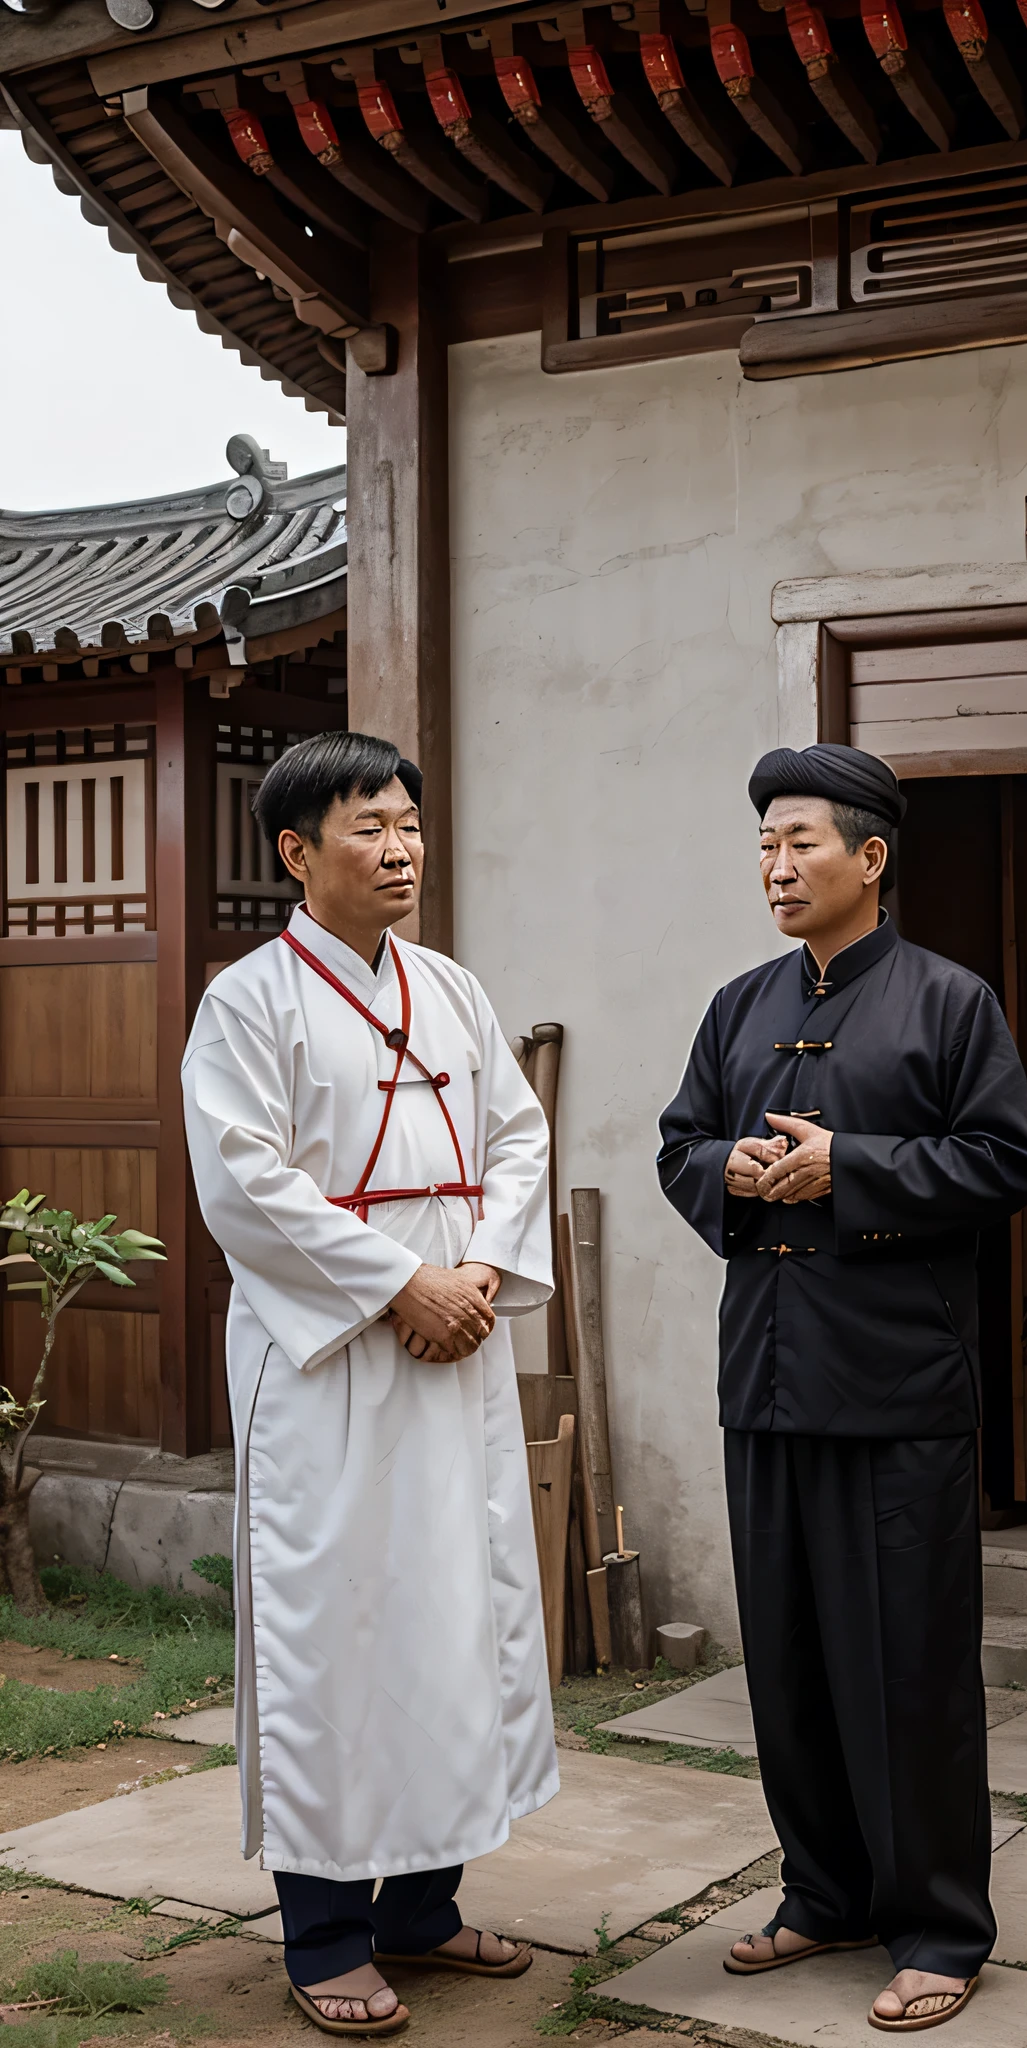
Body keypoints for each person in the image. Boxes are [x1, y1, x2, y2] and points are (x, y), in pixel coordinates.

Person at [657, 742, 1027, 2033]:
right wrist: (732, 1173)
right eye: (765, 843)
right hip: (766, 1382)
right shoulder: (738, 1004)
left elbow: (1002, 1162)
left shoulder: (950, 1003)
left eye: (802, 842)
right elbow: (679, 1143)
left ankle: (939, 1925)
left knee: (910, 1666)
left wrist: (850, 1169)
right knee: (793, 1657)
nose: (776, 866)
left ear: (871, 858)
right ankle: (822, 1892)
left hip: (898, 1392)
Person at [181, 732, 557, 2037]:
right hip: (333, 1362)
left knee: (457, 1616)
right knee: (335, 1634)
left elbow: (517, 1135)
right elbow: (245, 1184)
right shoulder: (249, 1003)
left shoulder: (452, 988)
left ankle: (425, 1908)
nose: (400, 848)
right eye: (368, 828)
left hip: (456, 1346)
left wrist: (481, 1275)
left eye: (409, 823)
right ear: (296, 851)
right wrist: (398, 1287)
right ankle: (329, 1932)